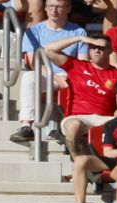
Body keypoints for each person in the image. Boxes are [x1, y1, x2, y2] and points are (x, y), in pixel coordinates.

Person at [9, 0, 87, 143]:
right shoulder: (33, 31)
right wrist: (56, 77)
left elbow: (83, 62)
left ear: (68, 8)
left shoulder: (78, 32)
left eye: (59, 7)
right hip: (46, 74)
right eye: (51, 6)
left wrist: (69, 77)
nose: (54, 10)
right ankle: (26, 125)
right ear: (45, 8)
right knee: (28, 77)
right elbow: (33, 61)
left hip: (70, 75)